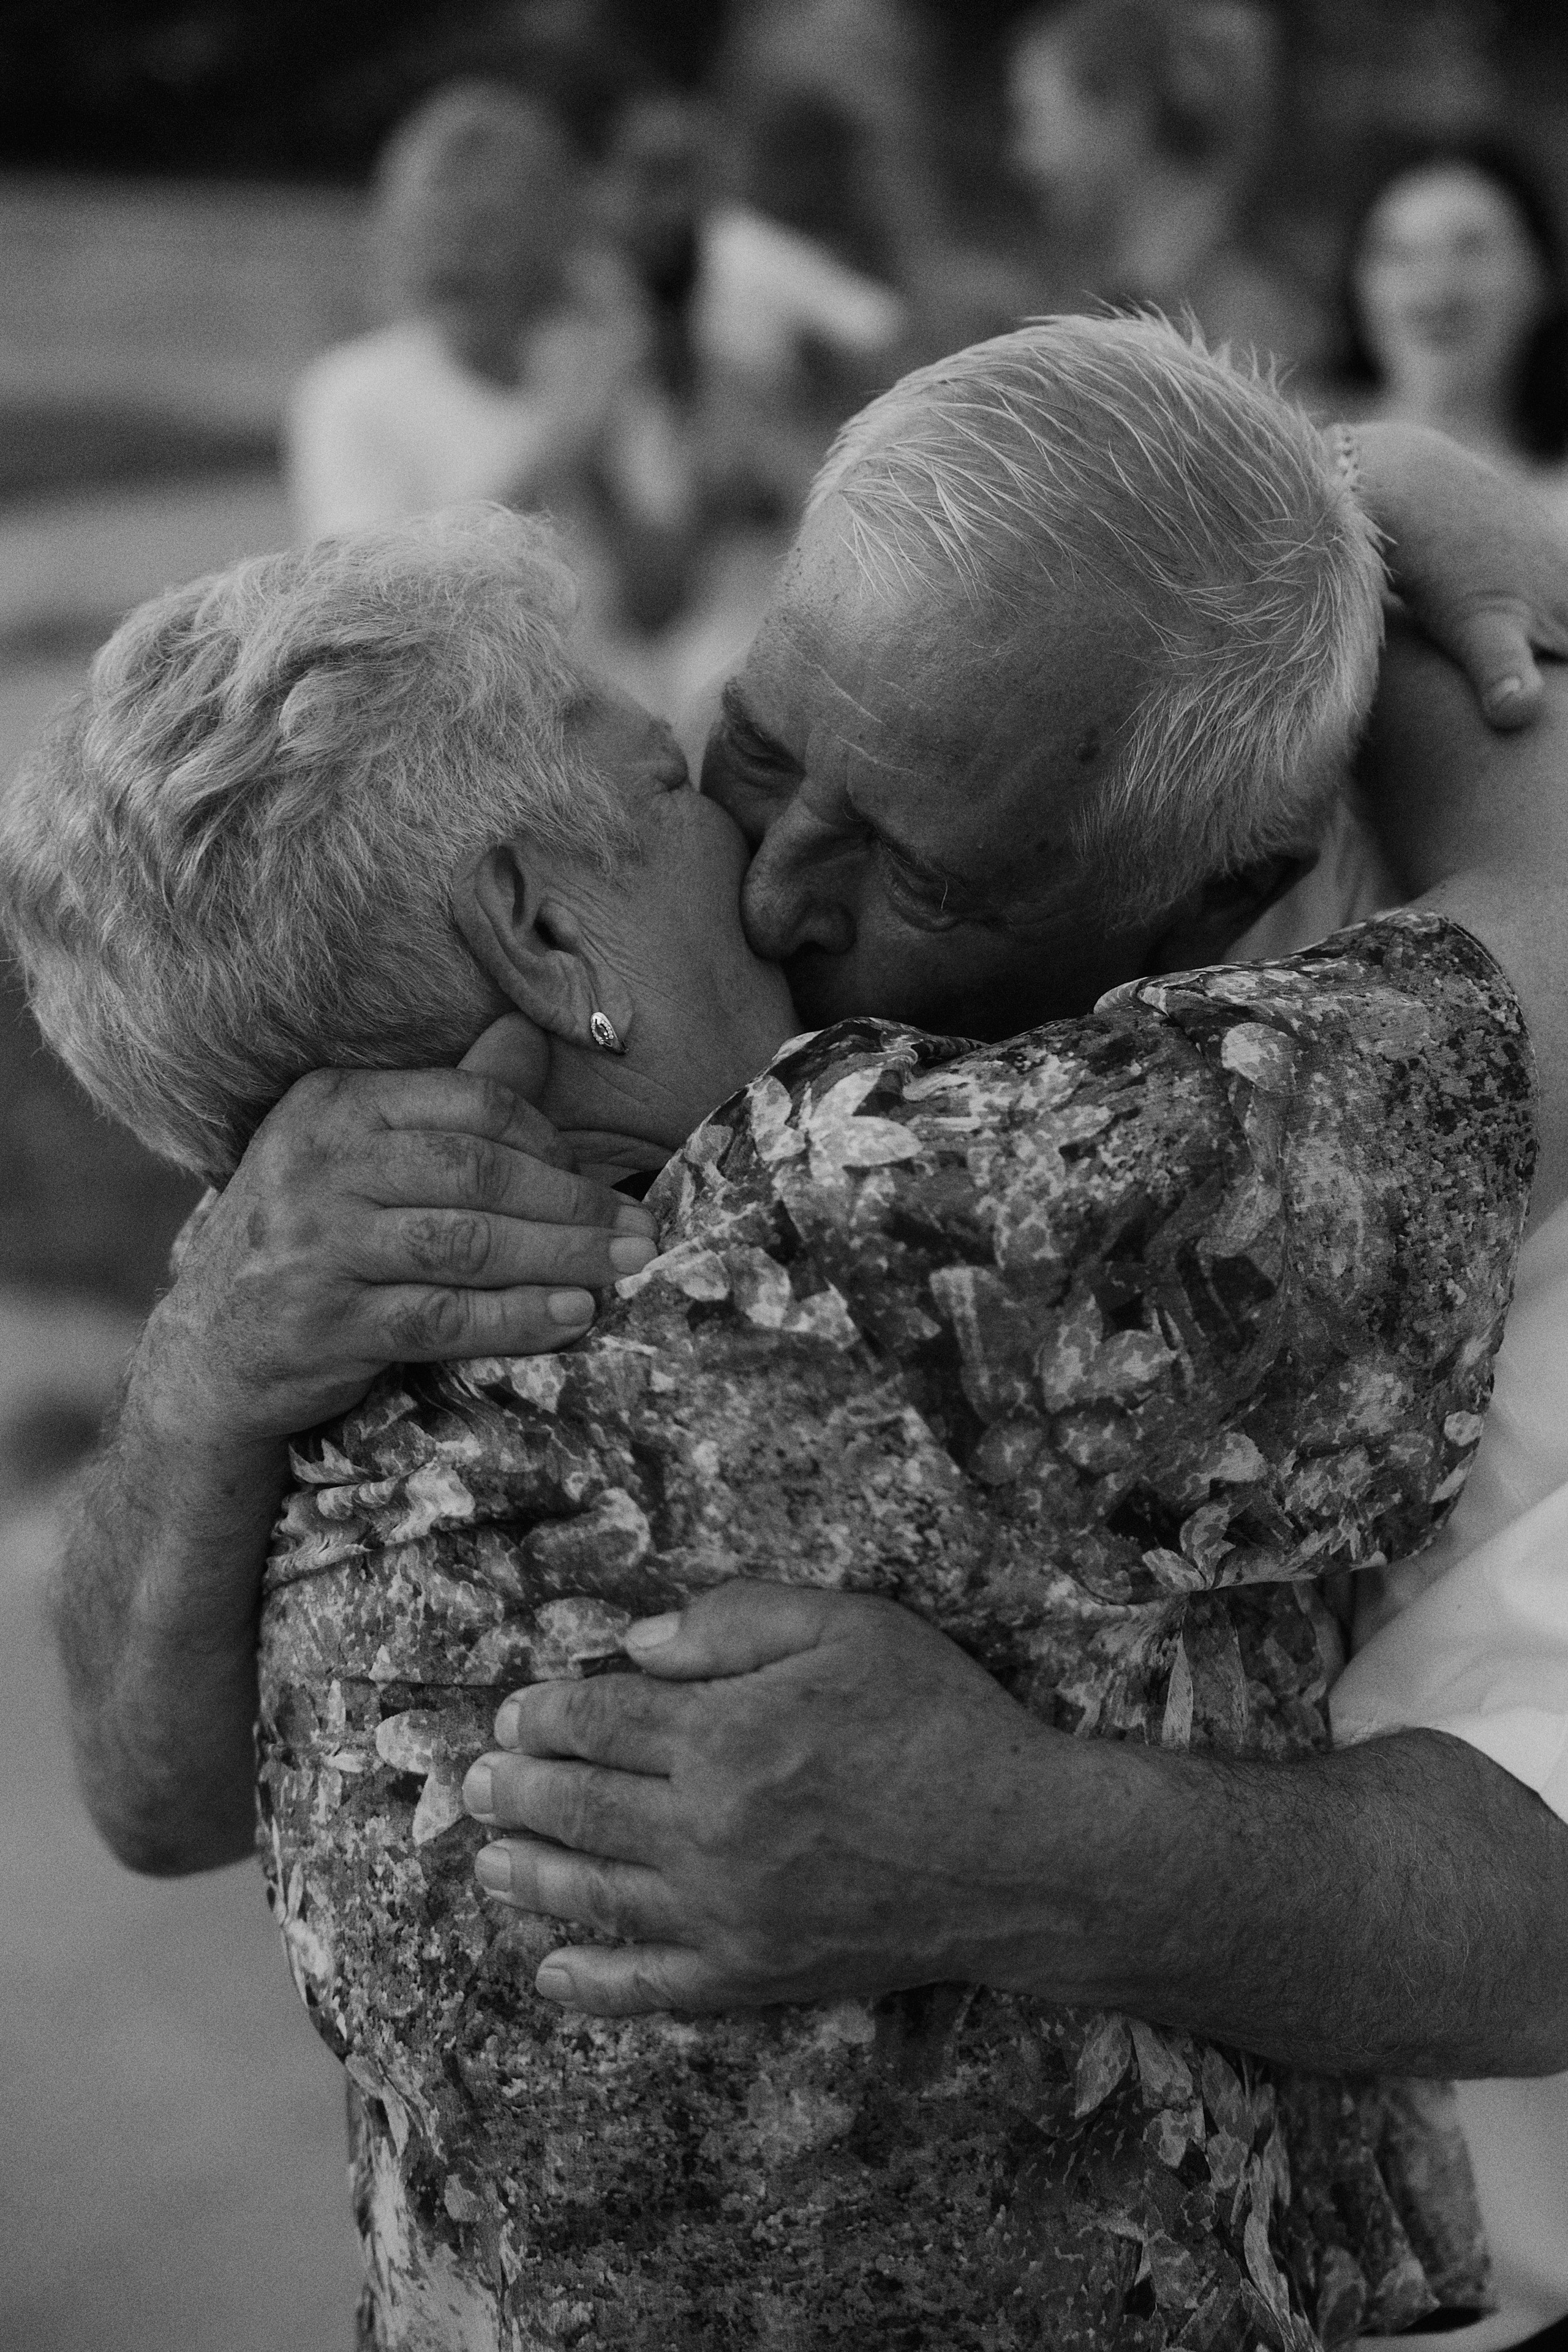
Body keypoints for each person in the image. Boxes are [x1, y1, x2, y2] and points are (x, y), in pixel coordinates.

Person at [21, 328, 1568, 2341]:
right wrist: (1405, 494)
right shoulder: (894, 1208)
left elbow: (157, 1800)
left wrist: (1011, 1846)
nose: (777, 884)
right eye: (715, 765)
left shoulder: (346, 1266)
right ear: (544, 934)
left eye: (909, 858)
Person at [286, 83, 634, 544]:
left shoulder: (604, 373)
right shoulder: (350, 390)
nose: (455, 255)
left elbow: (661, 583)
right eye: (434, 228)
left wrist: (598, 463)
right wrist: (559, 448)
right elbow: (377, 582)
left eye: (487, 229)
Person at [1007, 0, 1320, 372]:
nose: (1021, 160)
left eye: (1033, 121)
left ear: (1124, 115)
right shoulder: (1106, 296)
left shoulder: (1240, 320)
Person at [1337, 140, 1568, 522]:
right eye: (1400, 254)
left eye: (1471, 249)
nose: (1436, 289)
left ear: (1544, 279)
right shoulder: (1292, 470)